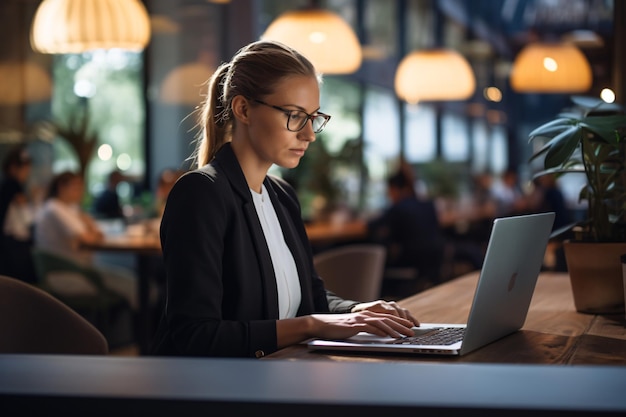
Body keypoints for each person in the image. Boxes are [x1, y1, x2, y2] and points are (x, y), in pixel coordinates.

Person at [151, 40, 418, 358]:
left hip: (285, 372)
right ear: (244, 109)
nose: (309, 134)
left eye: (313, 117)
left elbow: (313, 300)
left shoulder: (281, 195)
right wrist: (309, 326)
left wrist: (359, 311)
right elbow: (195, 335)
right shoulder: (201, 193)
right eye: (294, 116)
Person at [34, 171, 138, 309]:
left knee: (131, 280)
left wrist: (86, 223)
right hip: (69, 273)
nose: (80, 192)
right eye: (76, 187)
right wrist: (90, 232)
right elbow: (88, 239)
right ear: (61, 187)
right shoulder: (54, 208)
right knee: (134, 285)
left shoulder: (68, 208)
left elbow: (96, 233)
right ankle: (143, 327)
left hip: (80, 270)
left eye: (81, 187)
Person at [367, 169, 447, 290]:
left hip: (411, 262)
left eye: (389, 191)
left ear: (395, 189)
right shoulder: (428, 205)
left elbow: (372, 225)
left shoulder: (398, 208)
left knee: (376, 264)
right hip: (435, 261)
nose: (389, 195)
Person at [0, 145, 38, 283]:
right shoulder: (13, 185)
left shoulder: (6, 184)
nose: (27, 173)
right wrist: (34, 200)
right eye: (25, 169)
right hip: (13, 244)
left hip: (9, 242)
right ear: (13, 168)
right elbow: (27, 217)